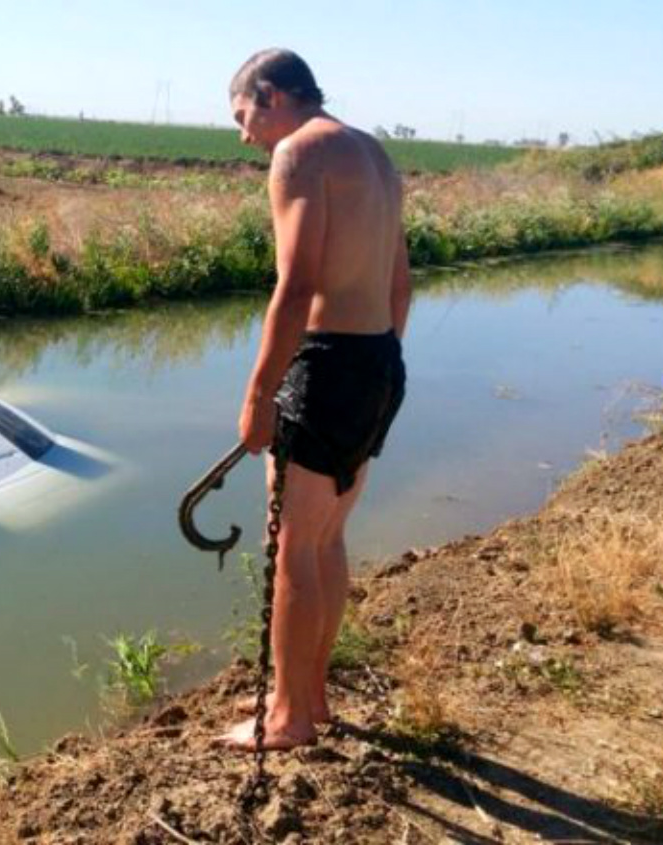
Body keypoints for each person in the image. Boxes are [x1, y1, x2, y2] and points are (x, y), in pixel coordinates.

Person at [221, 48, 410, 750]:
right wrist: (376, 369)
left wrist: (259, 394)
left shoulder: (300, 152)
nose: (244, 135)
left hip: (327, 364)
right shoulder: (373, 153)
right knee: (325, 538)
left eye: (243, 115)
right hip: (378, 358)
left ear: (271, 94)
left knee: (293, 546)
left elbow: (296, 286)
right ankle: (313, 697)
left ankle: (286, 716)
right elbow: (400, 282)